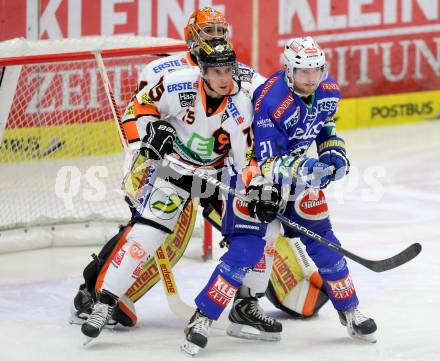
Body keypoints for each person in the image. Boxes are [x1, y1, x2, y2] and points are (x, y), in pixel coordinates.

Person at [73, 7, 327, 337]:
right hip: (170, 165)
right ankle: (99, 297)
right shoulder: (168, 73)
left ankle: (246, 303)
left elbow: (260, 134)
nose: (225, 76)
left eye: (221, 31)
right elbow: (141, 109)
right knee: (150, 234)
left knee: (262, 229)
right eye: (209, 32)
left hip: (220, 175)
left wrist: (263, 185)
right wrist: (148, 138)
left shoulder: (244, 85)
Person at [182, 36, 377, 354]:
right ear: (288, 70)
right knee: (245, 251)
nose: (311, 78)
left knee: (325, 243)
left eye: (316, 70)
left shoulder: (328, 90)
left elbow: (324, 126)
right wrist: (312, 166)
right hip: (253, 178)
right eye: (303, 72)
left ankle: (350, 311)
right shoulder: (271, 99)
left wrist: (334, 153)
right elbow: (269, 162)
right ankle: (201, 317)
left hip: (297, 177)